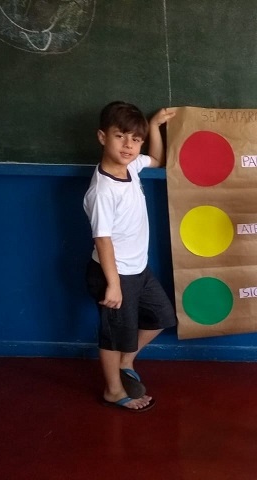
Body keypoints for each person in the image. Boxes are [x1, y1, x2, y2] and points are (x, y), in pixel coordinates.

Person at [84, 101, 177, 412]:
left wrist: (154, 127)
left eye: (135, 139)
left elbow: (158, 159)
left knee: (163, 316)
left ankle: (127, 361)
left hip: (138, 269)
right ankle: (113, 390)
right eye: (120, 136)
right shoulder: (103, 191)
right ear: (102, 137)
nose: (128, 145)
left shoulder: (132, 166)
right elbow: (103, 239)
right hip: (115, 273)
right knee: (114, 336)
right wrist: (113, 284)